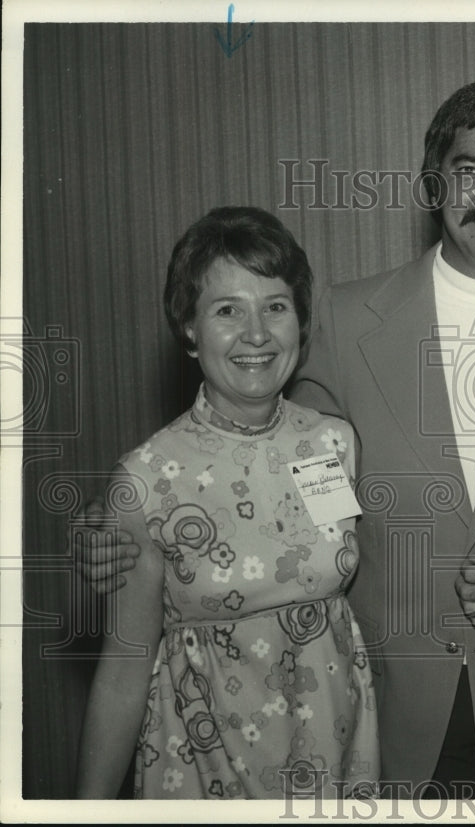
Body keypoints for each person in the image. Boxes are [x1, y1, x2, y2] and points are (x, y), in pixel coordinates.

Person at [76, 81, 475, 799]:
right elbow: (256, 464)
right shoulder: (344, 323)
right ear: (432, 183)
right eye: (471, 170)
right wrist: (122, 537)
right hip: (382, 722)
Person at [75, 207, 379, 799]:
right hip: (205, 764)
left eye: (275, 306)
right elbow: (123, 670)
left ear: (301, 320)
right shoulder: (145, 481)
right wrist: (86, 811)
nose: (257, 333)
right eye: (227, 310)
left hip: (332, 756)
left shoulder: (334, 444)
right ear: (188, 327)